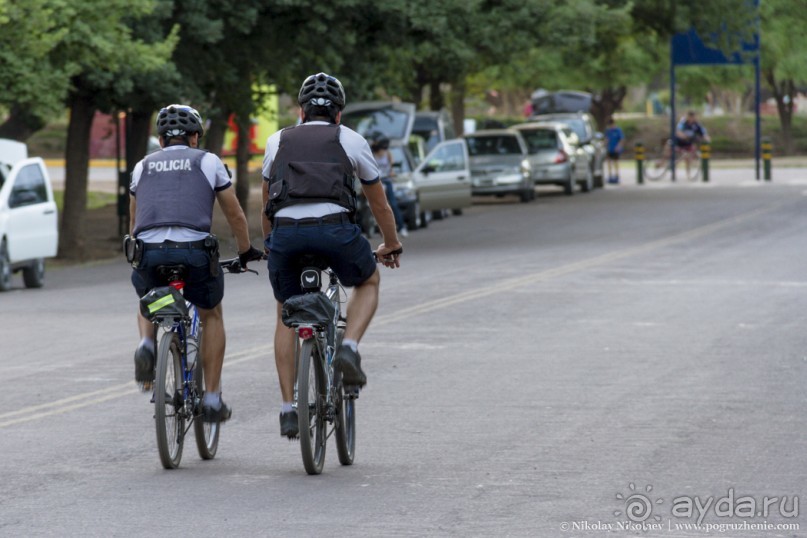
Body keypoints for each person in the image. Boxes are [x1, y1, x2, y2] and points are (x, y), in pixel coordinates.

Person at [261, 72, 403, 439]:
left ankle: (288, 408)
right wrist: (390, 243)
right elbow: (380, 203)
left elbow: (266, 204)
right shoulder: (350, 140)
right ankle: (350, 347)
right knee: (369, 279)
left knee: (285, 311)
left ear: (300, 111)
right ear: (339, 113)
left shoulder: (277, 140)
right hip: (335, 231)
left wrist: (270, 244)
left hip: (286, 236)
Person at [129, 104, 262, 423]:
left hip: (149, 249)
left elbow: (134, 221)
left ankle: (147, 343)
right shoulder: (208, 161)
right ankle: (213, 399)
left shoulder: (142, 166)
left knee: (150, 295)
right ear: (194, 138)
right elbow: (234, 213)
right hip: (193, 251)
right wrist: (245, 251)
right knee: (211, 312)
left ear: (160, 141)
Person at [370, 133, 408, 237]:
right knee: (377, 206)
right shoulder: (372, 155)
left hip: (387, 180)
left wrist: (392, 172)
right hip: (377, 182)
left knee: (393, 204)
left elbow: (391, 168)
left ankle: (402, 227)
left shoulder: (388, 154)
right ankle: (379, 229)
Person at [604, 117, 624, 184]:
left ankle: (617, 175)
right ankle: (610, 175)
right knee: (609, 162)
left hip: (616, 149)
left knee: (616, 162)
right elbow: (606, 139)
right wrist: (605, 145)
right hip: (610, 149)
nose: (611, 126)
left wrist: (618, 147)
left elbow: (621, 139)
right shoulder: (608, 131)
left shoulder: (618, 130)